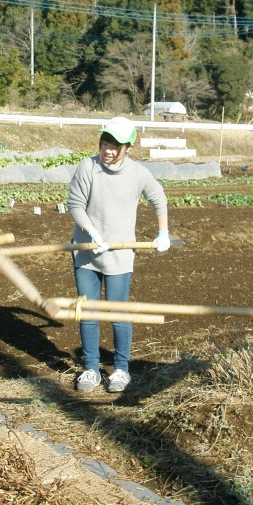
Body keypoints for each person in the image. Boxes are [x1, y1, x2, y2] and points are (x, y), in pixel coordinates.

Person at [67, 116, 170, 393]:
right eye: (105, 143)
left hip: (120, 255)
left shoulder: (137, 174)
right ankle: (91, 369)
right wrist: (91, 231)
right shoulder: (88, 167)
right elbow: (75, 205)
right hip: (87, 251)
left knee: (117, 311)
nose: (108, 150)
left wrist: (163, 233)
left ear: (128, 147)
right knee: (87, 311)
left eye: (116, 145)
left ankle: (121, 369)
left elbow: (158, 197)